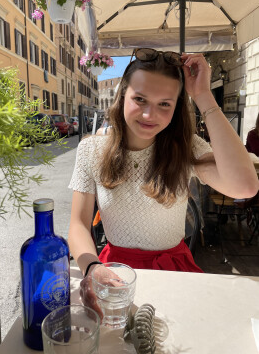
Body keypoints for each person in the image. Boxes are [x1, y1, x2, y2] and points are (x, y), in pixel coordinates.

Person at [68, 49, 258, 318]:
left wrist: (203, 96)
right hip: (114, 273)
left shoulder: (186, 148)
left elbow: (245, 186)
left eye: (164, 104)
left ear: (176, 107)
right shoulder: (92, 151)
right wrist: (91, 267)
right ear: (123, 96)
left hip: (175, 272)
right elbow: (77, 224)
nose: (149, 114)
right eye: (140, 99)